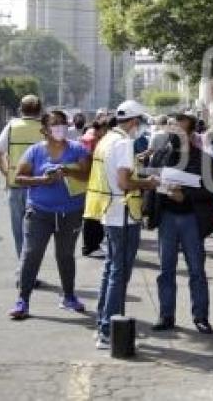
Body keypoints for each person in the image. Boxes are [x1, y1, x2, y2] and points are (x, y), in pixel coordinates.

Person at [85, 100, 160, 349]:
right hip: (123, 214)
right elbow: (125, 182)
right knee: (119, 273)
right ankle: (109, 330)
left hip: (109, 212)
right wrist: (148, 184)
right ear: (134, 122)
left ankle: (104, 325)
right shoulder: (124, 142)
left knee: (111, 270)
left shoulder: (107, 140)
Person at [7, 110, 91, 319]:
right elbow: (19, 178)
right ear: (45, 130)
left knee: (65, 256)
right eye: (55, 124)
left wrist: (69, 171)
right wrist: (42, 180)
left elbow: (88, 174)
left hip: (70, 212)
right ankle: (22, 300)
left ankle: (69, 296)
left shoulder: (78, 149)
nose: (60, 128)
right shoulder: (35, 151)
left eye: (63, 123)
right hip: (39, 212)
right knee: (31, 254)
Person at [149, 111, 213, 334]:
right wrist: (160, 189)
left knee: (197, 271)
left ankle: (200, 316)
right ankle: (166, 315)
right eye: (171, 129)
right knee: (166, 270)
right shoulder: (160, 156)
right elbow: (151, 184)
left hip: (192, 219)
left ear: (190, 134)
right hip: (167, 218)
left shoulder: (204, 159)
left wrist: (186, 195)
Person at [0, 94, 44, 279]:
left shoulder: (12, 127)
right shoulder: (44, 128)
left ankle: (24, 269)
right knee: (36, 232)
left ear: (21, 110)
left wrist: (8, 173)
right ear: (39, 110)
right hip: (40, 187)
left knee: (19, 230)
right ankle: (30, 270)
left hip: (16, 186)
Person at [80, 116, 113, 257]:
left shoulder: (90, 137)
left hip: (93, 181)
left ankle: (92, 246)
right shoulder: (93, 140)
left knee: (93, 216)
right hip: (94, 181)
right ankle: (91, 247)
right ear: (102, 129)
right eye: (106, 130)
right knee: (93, 217)